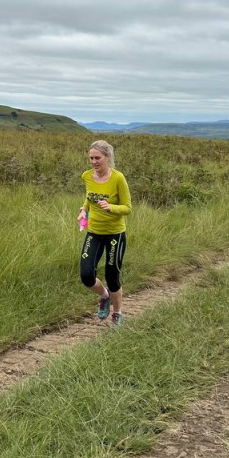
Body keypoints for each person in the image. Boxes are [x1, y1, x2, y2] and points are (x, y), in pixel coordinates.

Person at [78, 139, 131, 327]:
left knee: (112, 276)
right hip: (94, 232)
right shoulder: (87, 176)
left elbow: (127, 208)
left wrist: (111, 207)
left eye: (97, 158)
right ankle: (104, 295)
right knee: (86, 275)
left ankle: (117, 313)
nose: (94, 162)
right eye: (91, 158)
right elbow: (89, 198)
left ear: (107, 157)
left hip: (115, 234)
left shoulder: (118, 178)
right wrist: (84, 210)